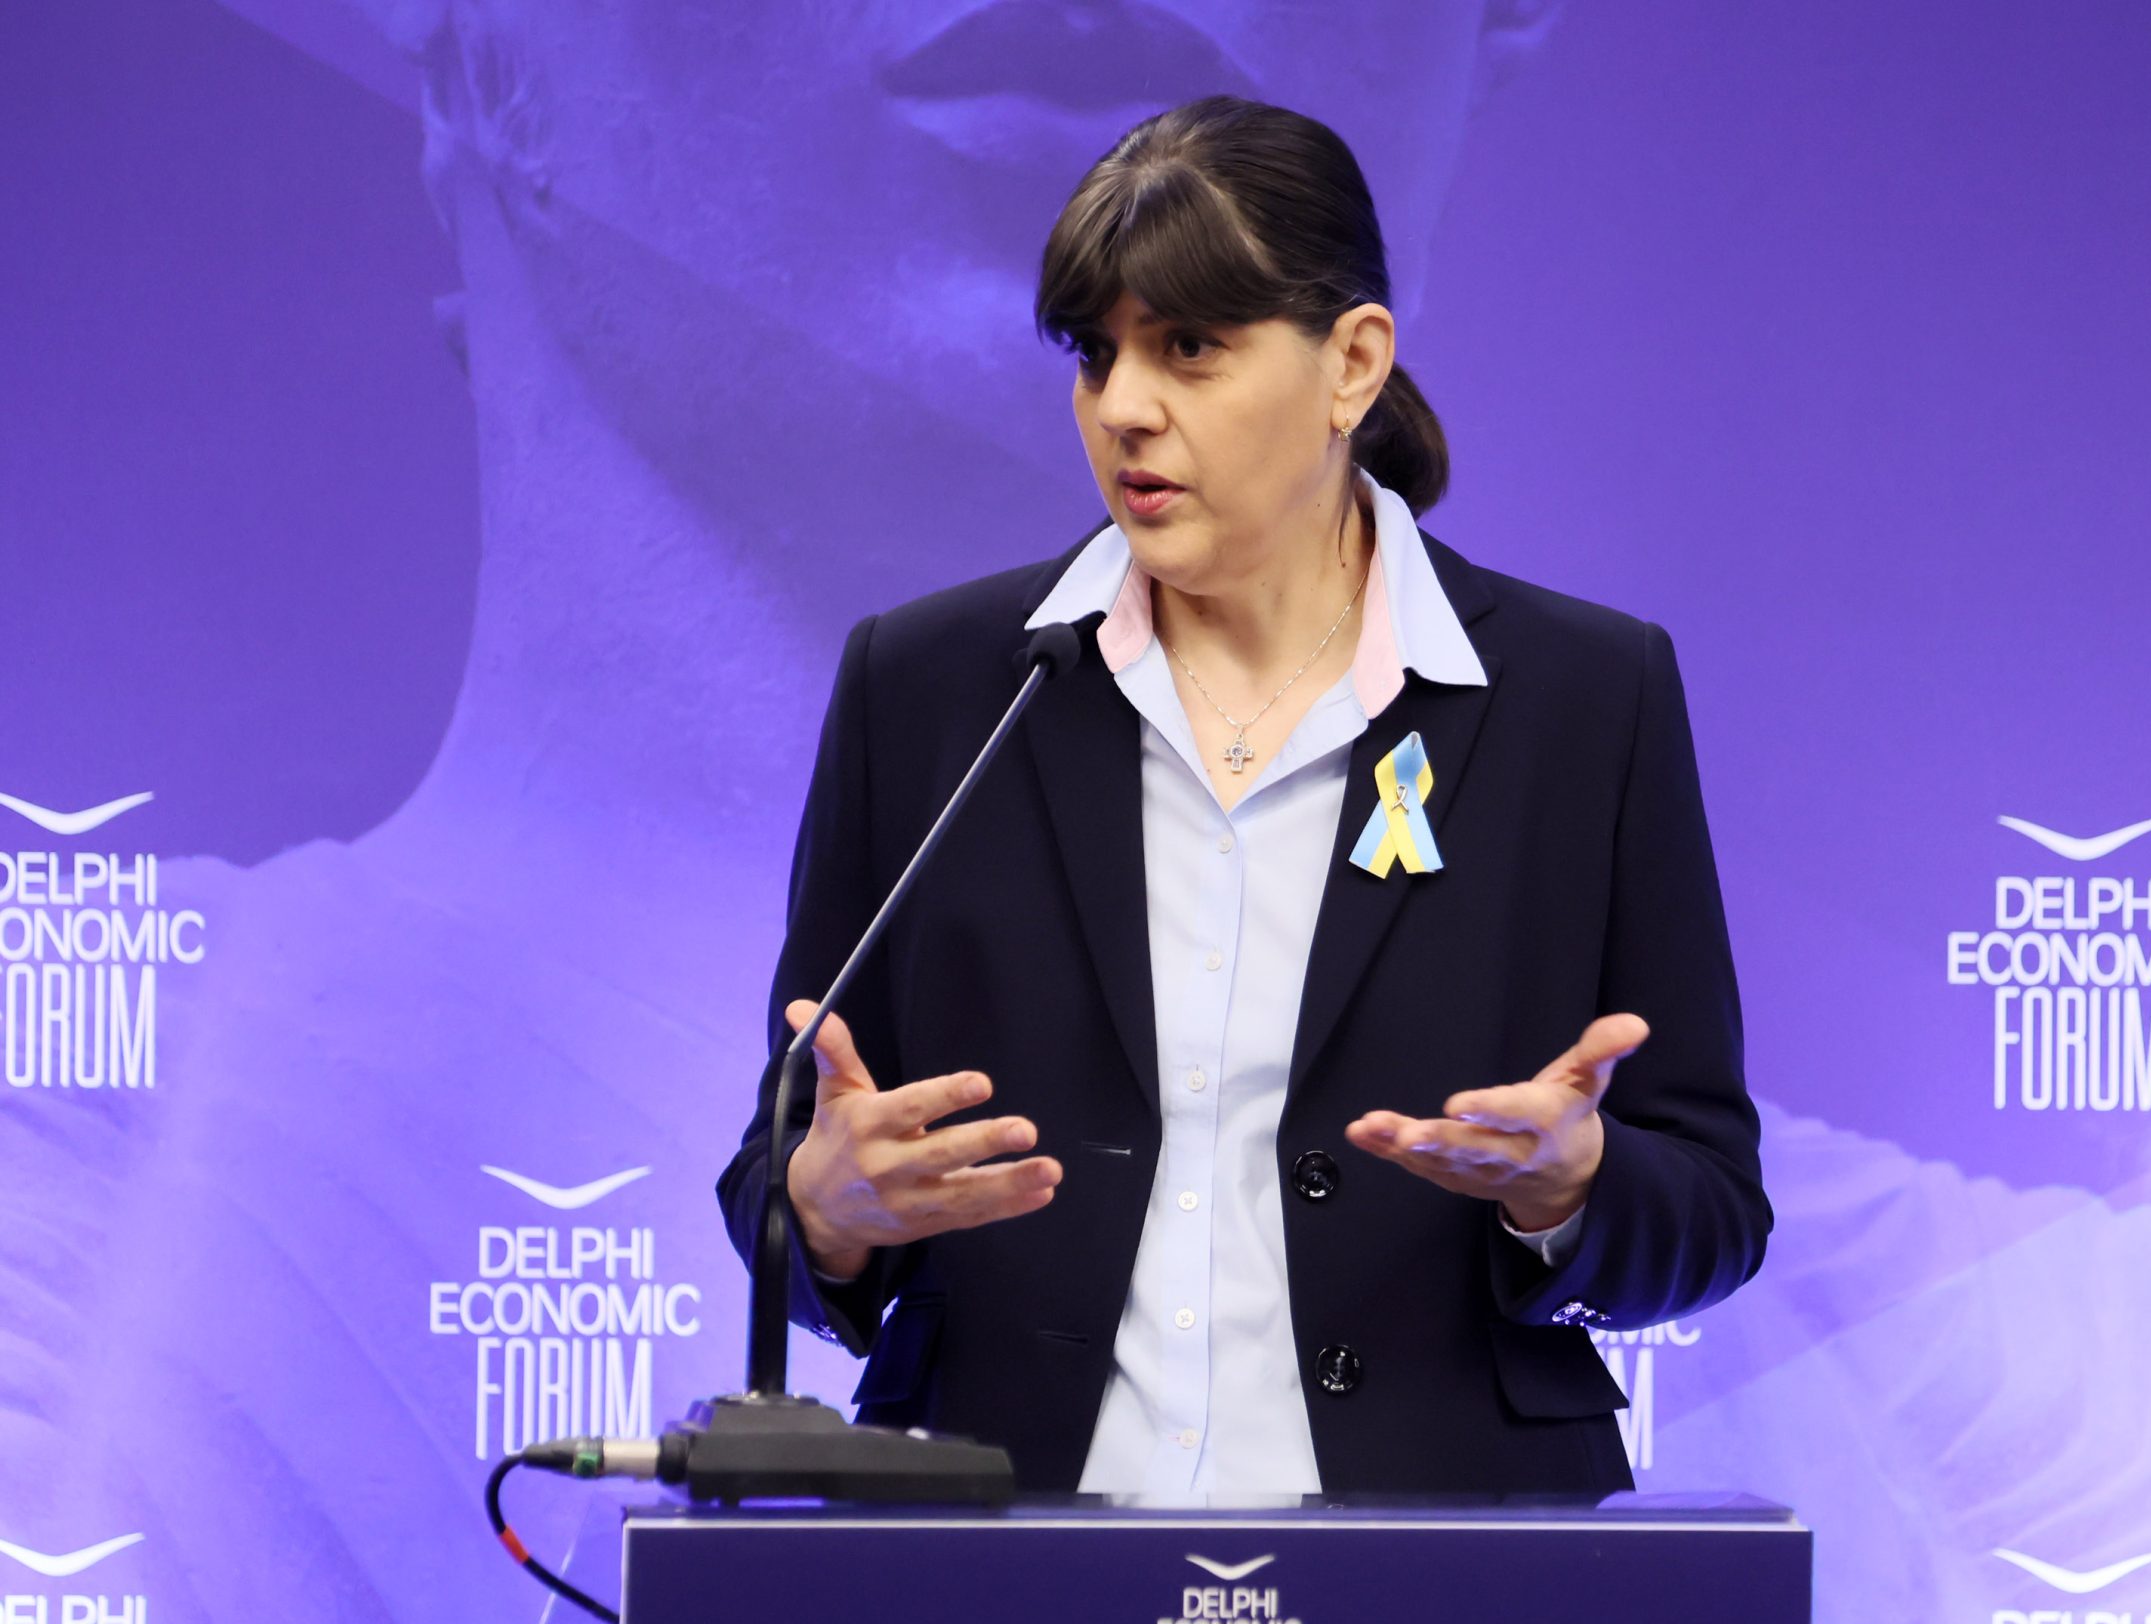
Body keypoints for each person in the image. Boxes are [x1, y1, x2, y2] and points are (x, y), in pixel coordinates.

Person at [717, 95, 1768, 1496]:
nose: (1123, 407)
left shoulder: (1585, 698)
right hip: (1008, 1541)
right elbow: (782, 1169)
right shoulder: (932, 689)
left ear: (1353, 364)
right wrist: (826, 1213)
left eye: (1190, 347)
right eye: (1095, 354)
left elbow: (1713, 1207)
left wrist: (1573, 1190)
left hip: (1445, 1555)